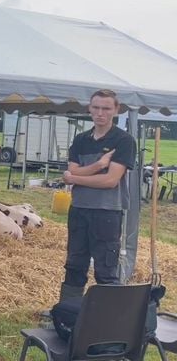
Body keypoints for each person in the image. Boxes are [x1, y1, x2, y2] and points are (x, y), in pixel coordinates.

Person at [60, 89, 135, 300]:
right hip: (79, 209)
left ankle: (107, 317)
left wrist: (75, 178)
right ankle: (68, 311)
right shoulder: (81, 139)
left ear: (115, 110)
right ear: (89, 109)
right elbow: (72, 170)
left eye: (106, 108)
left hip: (107, 212)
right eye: (96, 108)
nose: (100, 113)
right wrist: (100, 164)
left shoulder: (123, 140)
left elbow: (110, 181)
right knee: (74, 264)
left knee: (106, 269)